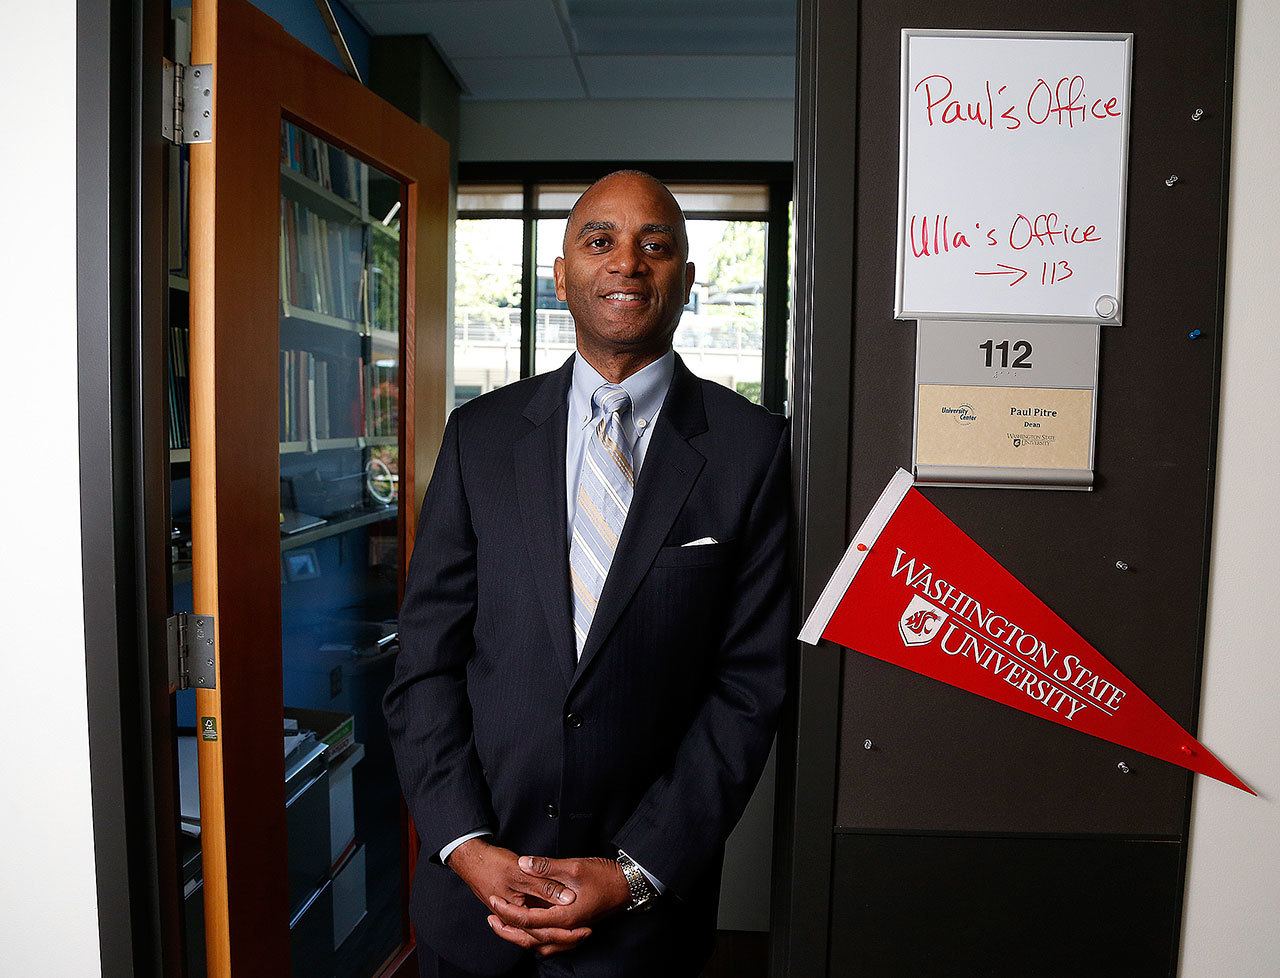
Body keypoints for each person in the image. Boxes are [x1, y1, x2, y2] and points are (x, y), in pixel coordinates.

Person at [384, 170, 793, 978]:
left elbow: (750, 687)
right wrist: (466, 847)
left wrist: (635, 871)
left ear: (686, 279)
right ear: (561, 275)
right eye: (599, 240)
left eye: (657, 245)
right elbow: (424, 664)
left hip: (642, 924)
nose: (627, 263)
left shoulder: (751, 450)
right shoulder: (480, 437)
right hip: (473, 909)